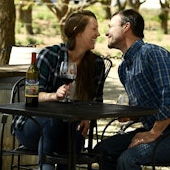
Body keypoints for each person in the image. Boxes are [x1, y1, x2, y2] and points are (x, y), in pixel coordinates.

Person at [94, 9, 170, 170]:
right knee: (102, 150)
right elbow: (150, 107)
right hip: (157, 130)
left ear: (126, 27)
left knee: (128, 159)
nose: (106, 33)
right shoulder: (123, 68)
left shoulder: (152, 53)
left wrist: (152, 134)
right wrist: (133, 116)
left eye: (111, 26)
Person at [12, 10, 106, 169]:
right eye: (94, 29)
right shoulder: (49, 55)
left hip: (68, 128)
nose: (98, 34)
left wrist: (87, 118)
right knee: (53, 121)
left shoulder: (96, 64)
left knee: (74, 139)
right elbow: (33, 96)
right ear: (78, 31)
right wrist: (54, 96)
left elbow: (96, 102)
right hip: (32, 126)